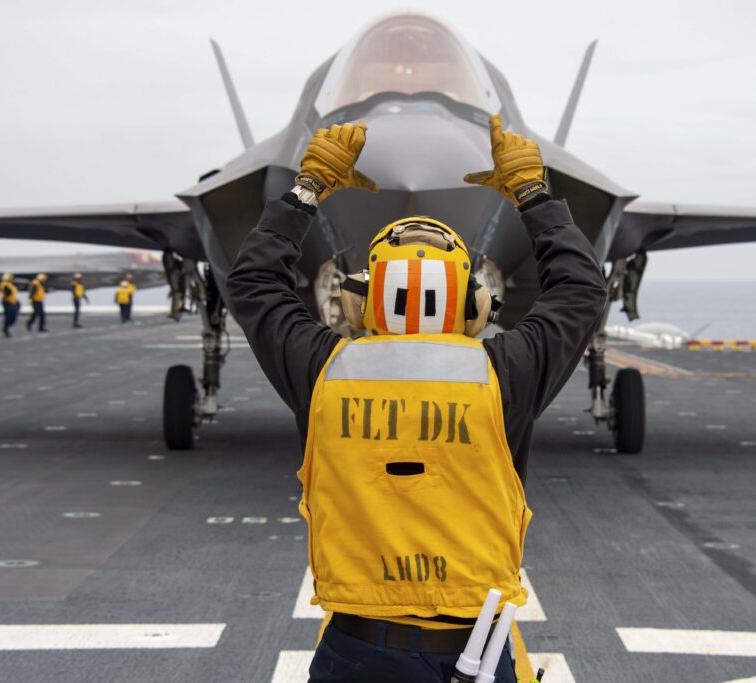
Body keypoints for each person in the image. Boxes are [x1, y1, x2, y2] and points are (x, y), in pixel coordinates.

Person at [229, 117, 607, 683]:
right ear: (475, 307)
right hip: (471, 654)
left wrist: (308, 187)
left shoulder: (325, 372)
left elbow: (252, 284)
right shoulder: (505, 374)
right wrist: (533, 195)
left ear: (359, 304)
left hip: (356, 653)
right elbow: (581, 289)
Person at [0, 273, 20, 337]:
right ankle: (6, 329)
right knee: (9, 317)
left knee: (13, 317)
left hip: (13, 302)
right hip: (7, 302)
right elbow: (7, 293)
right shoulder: (5, 284)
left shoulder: (10, 285)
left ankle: (6, 328)